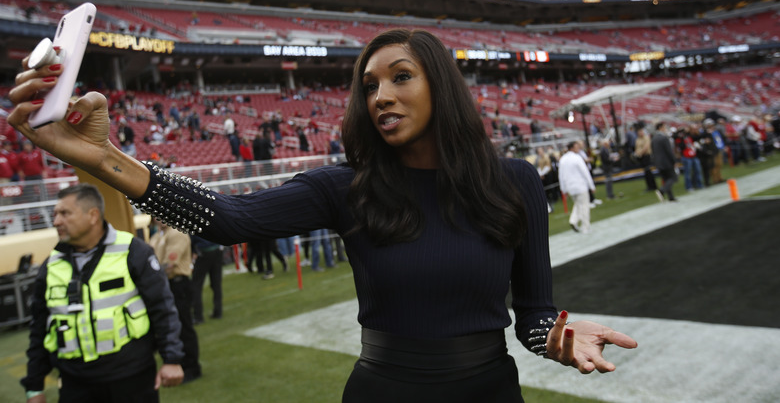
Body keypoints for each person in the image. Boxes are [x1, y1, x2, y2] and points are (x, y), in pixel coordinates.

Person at [10, 28, 637, 403]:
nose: (381, 95)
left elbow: (529, 314)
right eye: (369, 86)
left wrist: (558, 336)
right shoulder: (344, 187)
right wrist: (101, 156)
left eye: (400, 77)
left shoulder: (516, 181)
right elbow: (230, 219)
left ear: (442, 85)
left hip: (490, 393)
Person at [20, 184, 184, 402]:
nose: (56, 221)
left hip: (132, 379)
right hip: (74, 384)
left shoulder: (133, 251)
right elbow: (39, 328)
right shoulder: (50, 266)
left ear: (93, 215)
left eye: (65, 213)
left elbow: (162, 307)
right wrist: (34, 386)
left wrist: (171, 358)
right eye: (55, 214)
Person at [149, 218, 202, 384]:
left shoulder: (177, 233)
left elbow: (169, 264)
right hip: (165, 284)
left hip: (178, 284)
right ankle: (179, 363)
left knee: (183, 327)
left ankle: (192, 367)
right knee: (169, 326)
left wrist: (149, 279)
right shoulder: (157, 236)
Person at [558, 141, 596, 233]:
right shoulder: (577, 158)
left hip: (570, 187)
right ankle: (585, 227)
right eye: (576, 147)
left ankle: (573, 221)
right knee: (584, 206)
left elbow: (561, 176)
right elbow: (585, 172)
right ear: (571, 148)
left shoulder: (562, 159)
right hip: (580, 185)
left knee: (578, 205)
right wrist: (591, 185)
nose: (578, 149)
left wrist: (563, 189)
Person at [190, 235, 224, 324]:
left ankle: (198, 316)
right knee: (216, 283)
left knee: (196, 285)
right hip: (217, 249)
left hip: (204, 252)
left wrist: (193, 251)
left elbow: (191, 239)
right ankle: (218, 311)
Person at [651, 122, 679, 202]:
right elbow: (669, 151)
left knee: (666, 179)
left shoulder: (654, 138)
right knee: (673, 178)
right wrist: (674, 161)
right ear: (660, 128)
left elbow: (653, 151)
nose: (665, 129)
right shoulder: (664, 138)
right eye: (664, 127)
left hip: (659, 162)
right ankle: (662, 190)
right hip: (666, 162)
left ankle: (671, 197)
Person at [633, 126, 657, 192]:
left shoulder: (646, 138)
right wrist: (637, 154)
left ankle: (653, 186)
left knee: (648, 171)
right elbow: (636, 148)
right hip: (641, 157)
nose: (641, 133)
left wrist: (640, 153)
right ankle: (649, 186)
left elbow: (646, 147)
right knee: (646, 172)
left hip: (646, 156)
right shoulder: (637, 139)